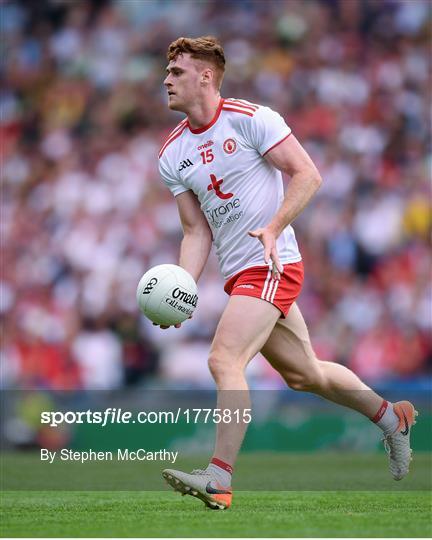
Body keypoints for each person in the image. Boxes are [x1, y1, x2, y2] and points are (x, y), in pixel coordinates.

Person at [157, 36, 417, 510]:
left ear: (206, 76)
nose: (167, 79)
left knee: (224, 360)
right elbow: (195, 232)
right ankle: (389, 419)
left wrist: (275, 228)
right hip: (239, 274)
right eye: (167, 72)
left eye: (177, 72)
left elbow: (308, 174)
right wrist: (181, 289)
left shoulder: (253, 118)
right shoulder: (172, 153)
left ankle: (218, 480)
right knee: (306, 375)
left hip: (273, 262)